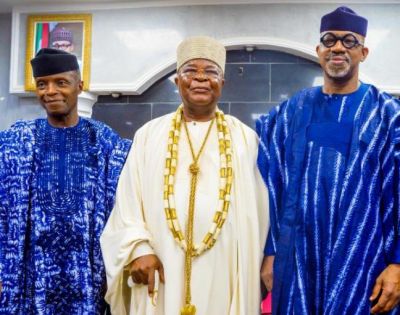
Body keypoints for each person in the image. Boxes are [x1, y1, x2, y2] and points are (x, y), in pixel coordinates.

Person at [100, 36, 269, 315]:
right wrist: (139, 248)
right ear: (178, 82)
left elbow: (261, 214)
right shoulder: (148, 136)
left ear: (222, 84)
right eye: (190, 71)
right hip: (161, 264)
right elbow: (127, 201)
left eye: (211, 72)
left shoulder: (245, 139)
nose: (200, 78)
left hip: (223, 269)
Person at [257, 6, 400, 315]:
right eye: (330, 40)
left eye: (349, 41)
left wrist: (398, 263)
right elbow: (266, 181)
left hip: (365, 261)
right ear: (318, 50)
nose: (338, 47)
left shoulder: (387, 114)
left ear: (364, 52)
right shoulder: (290, 112)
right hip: (297, 261)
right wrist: (271, 251)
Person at [0, 48, 131, 314]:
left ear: (79, 86)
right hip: (29, 274)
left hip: (86, 275)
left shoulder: (106, 142)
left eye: (61, 82)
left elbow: (125, 208)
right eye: (42, 84)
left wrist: (114, 273)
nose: (50, 91)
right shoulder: (14, 141)